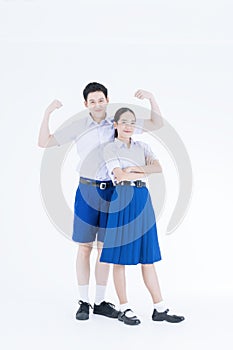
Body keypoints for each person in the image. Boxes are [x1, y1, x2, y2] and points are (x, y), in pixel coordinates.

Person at [38, 82, 163, 321]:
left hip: (114, 194)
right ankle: (84, 301)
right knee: (85, 247)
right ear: (86, 104)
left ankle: (100, 302)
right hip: (87, 190)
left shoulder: (118, 123)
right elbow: (44, 141)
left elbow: (157, 125)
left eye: (101, 99)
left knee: (105, 249)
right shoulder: (77, 126)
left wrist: (151, 98)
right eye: (92, 101)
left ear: (107, 100)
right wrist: (47, 113)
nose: (97, 104)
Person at [100, 107, 185, 325]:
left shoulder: (143, 146)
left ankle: (159, 307)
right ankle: (124, 307)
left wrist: (132, 170)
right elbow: (118, 175)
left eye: (132, 122)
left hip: (142, 198)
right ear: (116, 124)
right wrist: (141, 169)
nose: (129, 126)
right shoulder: (109, 148)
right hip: (122, 198)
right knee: (119, 258)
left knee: (148, 257)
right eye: (124, 122)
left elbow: (157, 168)